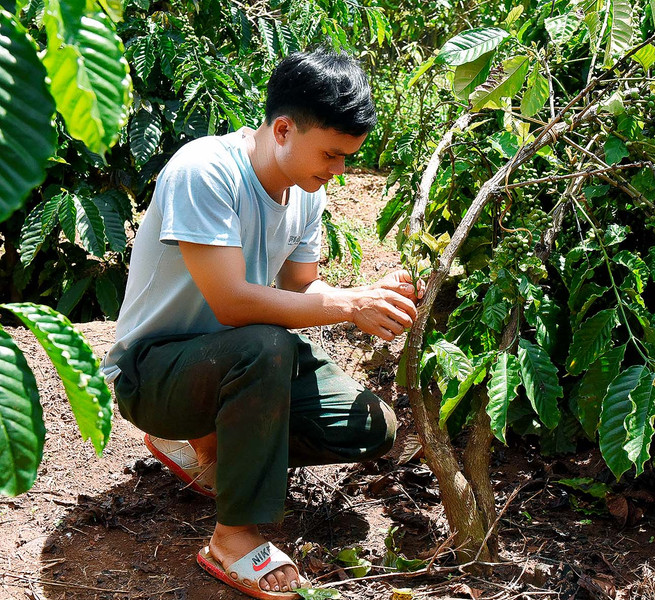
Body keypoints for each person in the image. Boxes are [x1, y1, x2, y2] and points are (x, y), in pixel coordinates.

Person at [100, 49, 420, 600]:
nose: (340, 170)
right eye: (333, 154)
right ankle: (232, 536)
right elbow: (232, 304)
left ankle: (208, 444)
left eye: (348, 157)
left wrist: (366, 297)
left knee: (372, 427)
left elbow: (302, 284)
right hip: (153, 374)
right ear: (282, 129)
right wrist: (346, 305)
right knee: (266, 347)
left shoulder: (304, 190)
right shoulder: (205, 170)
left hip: (234, 360)